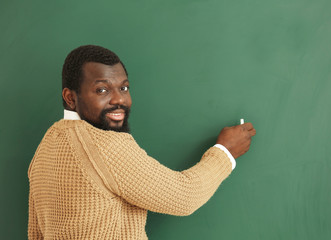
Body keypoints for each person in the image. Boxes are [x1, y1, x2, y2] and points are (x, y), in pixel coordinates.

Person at [27, 45, 256, 239]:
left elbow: (35, 234)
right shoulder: (104, 146)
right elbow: (185, 197)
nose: (119, 99)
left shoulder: (45, 148)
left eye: (124, 87)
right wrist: (225, 152)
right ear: (70, 97)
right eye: (102, 89)